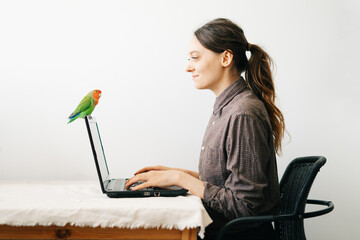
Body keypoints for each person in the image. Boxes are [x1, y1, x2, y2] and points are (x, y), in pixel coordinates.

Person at [125, 18, 285, 240]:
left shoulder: (242, 113)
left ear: (226, 58)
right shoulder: (228, 108)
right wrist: (176, 174)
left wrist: (182, 180)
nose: (188, 66)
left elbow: (244, 205)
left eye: (195, 58)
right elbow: (225, 182)